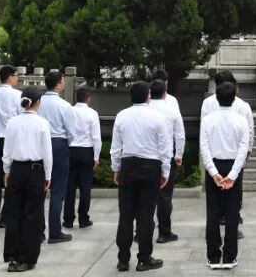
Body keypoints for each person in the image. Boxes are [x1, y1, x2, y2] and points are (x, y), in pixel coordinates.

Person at [111, 81, 173, 272]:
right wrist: (165, 171)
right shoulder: (158, 117)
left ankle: (123, 259)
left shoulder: (121, 116)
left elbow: (116, 147)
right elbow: (164, 148)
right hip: (150, 167)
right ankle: (144, 258)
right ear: (148, 96)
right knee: (146, 215)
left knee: (126, 214)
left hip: (128, 165)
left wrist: (116, 168)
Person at [200, 81, 250, 270]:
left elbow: (204, 148)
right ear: (234, 97)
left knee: (212, 213)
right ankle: (229, 256)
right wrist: (234, 174)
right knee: (232, 213)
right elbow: (243, 150)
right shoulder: (242, 120)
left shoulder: (208, 120)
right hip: (233, 165)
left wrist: (213, 172)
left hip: (214, 164)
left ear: (217, 98)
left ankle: (213, 257)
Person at [2, 87, 53, 273]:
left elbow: (7, 150)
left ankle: (12, 257)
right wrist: (48, 175)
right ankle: (26, 258)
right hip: (35, 171)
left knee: (14, 214)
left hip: (16, 169)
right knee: (32, 215)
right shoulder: (42, 123)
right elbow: (47, 152)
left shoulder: (12, 122)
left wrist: (7, 170)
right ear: (38, 102)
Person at [39, 70, 78, 244]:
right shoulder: (64, 105)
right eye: (62, 81)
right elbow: (71, 132)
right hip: (58, 145)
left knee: (39, 189)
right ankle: (54, 232)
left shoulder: (38, 102)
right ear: (58, 85)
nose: (64, 84)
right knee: (58, 190)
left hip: (39, 145)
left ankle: (38, 231)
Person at [0, 65, 23, 228]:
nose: (17, 78)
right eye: (16, 76)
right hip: (11, 141)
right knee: (11, 178)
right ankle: (5, 216)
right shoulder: (17, 95)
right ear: (9, 77)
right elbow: (21, 118)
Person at [150, 78, 185, 243]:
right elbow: (180, 135)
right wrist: (179, 155)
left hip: (146, 158)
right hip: (166, 156)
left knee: (145, 197)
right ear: (165, 92)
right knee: (164, 197)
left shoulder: (144, 109)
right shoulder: (172, 110)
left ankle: (141, 232)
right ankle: (164, 232)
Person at [64, 87, 101, 230]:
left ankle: (68, 219)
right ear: (88, 98)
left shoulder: (69, 111)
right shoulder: (92, 113)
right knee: (85, 187)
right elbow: (96, 137)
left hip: (71, 150)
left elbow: (65, 132)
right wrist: (96, 157)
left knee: (70, 186)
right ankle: (83, 219)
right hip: (86, 151)